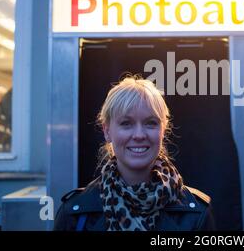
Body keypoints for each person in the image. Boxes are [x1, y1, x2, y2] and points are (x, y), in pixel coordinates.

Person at [54, 77, 215, 231]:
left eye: (150, 123)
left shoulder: (196, 214)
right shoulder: (75, 214)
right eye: (126, 123)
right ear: (107, 131)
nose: (139, 135)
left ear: (163, 130)